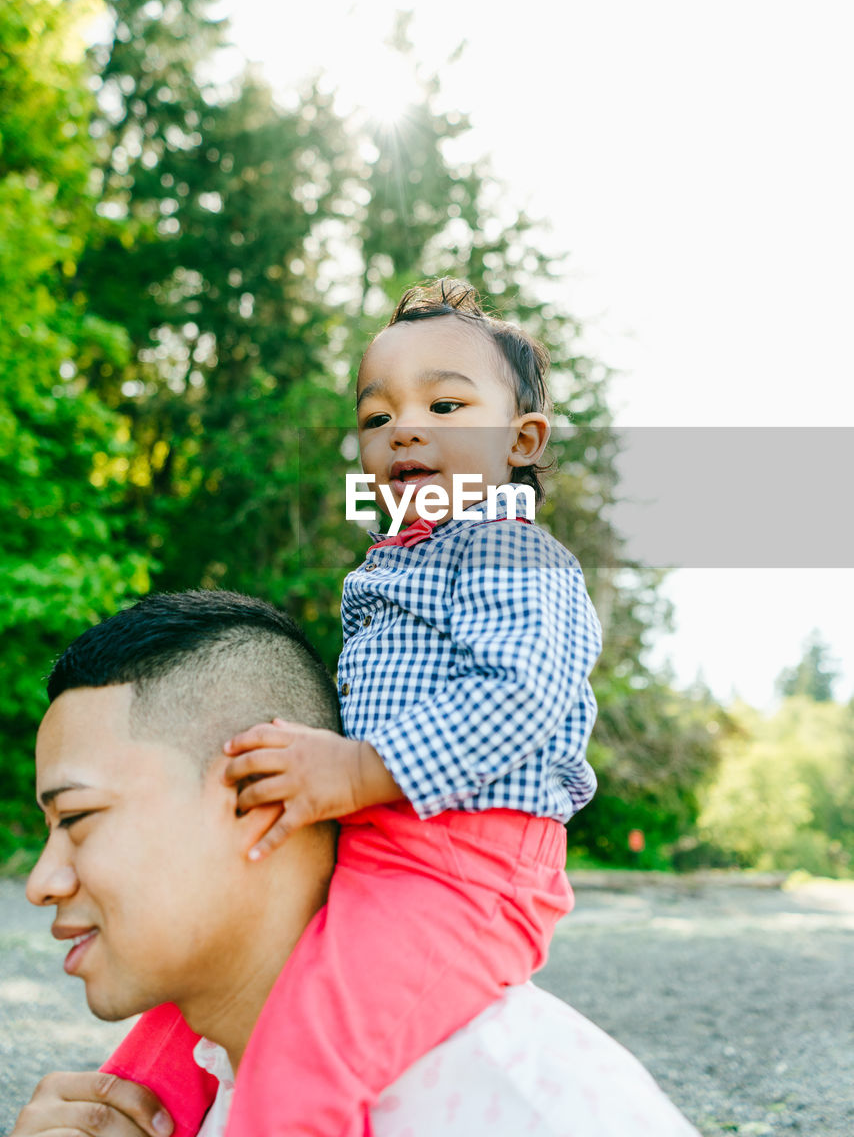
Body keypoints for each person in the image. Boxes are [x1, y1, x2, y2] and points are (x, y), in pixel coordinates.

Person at [105, 280, 604, 1137]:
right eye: (377, 417)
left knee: (309, 1051)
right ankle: (129, 1107)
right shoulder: (391, 563)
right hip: (371, 838)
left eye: (446, 404)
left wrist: (359, 769)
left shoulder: (509, 547)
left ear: (521, 440)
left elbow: (523, 694)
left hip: (466, 868)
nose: (405, 427)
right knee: (214, 960)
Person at [14, 590, 699, 1137]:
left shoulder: (533, 1108)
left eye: (76, 820)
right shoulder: (173, 1101)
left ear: (256, 795)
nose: (43, 883)